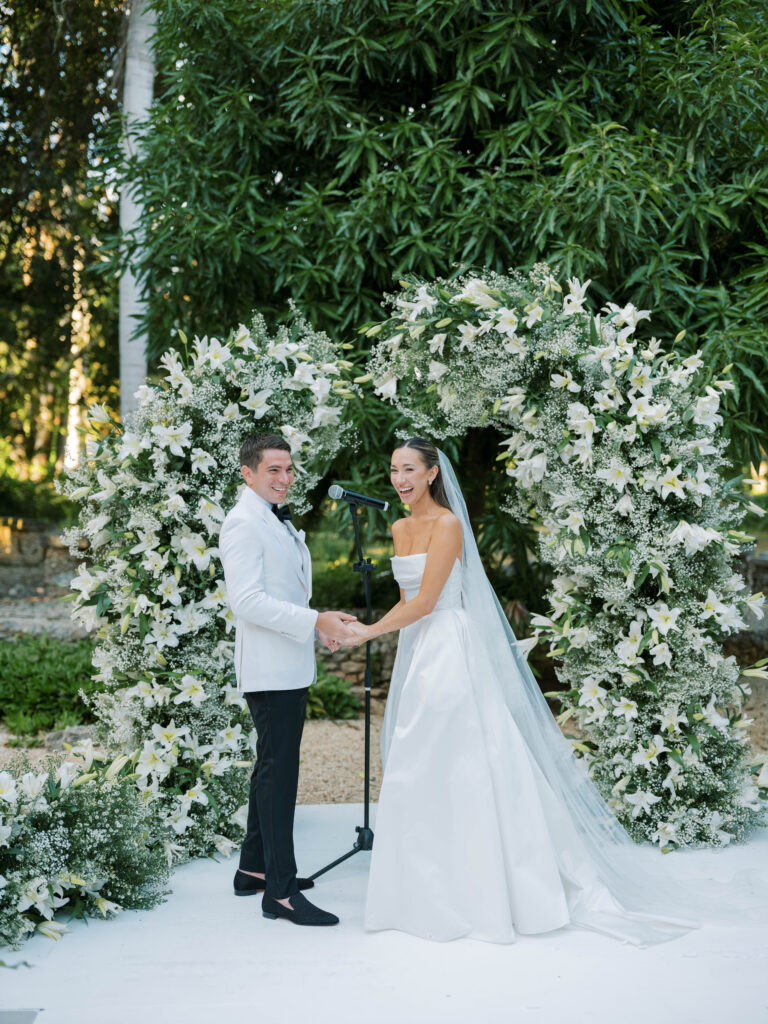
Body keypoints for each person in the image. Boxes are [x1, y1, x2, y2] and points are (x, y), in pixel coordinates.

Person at [344, 437, 700, 945]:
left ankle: (486, 887)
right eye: (393, 469)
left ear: (430, 475)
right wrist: (379, 632)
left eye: (408, 469)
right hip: (419, 651)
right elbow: (406, 602)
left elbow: (426, 603)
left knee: (465, 759)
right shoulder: (399, 526)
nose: (399, 479)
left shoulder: (447, 525)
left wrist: (365, 631)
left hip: (449, 646)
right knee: (417, 760)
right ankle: (421, 889)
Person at [219, 433, 357, 927]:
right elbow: (247, 602)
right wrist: (316, 620)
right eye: (273, 470)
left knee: (270, 767)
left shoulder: (272, 520)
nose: (284, 479)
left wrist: (317, 626)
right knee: (280, 776)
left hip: (287, 662)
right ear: (248, 473)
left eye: (289, 469)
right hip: (269, 670)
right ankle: (279, 892)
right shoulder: (242, 524)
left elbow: (287, 593)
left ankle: (253, 870)